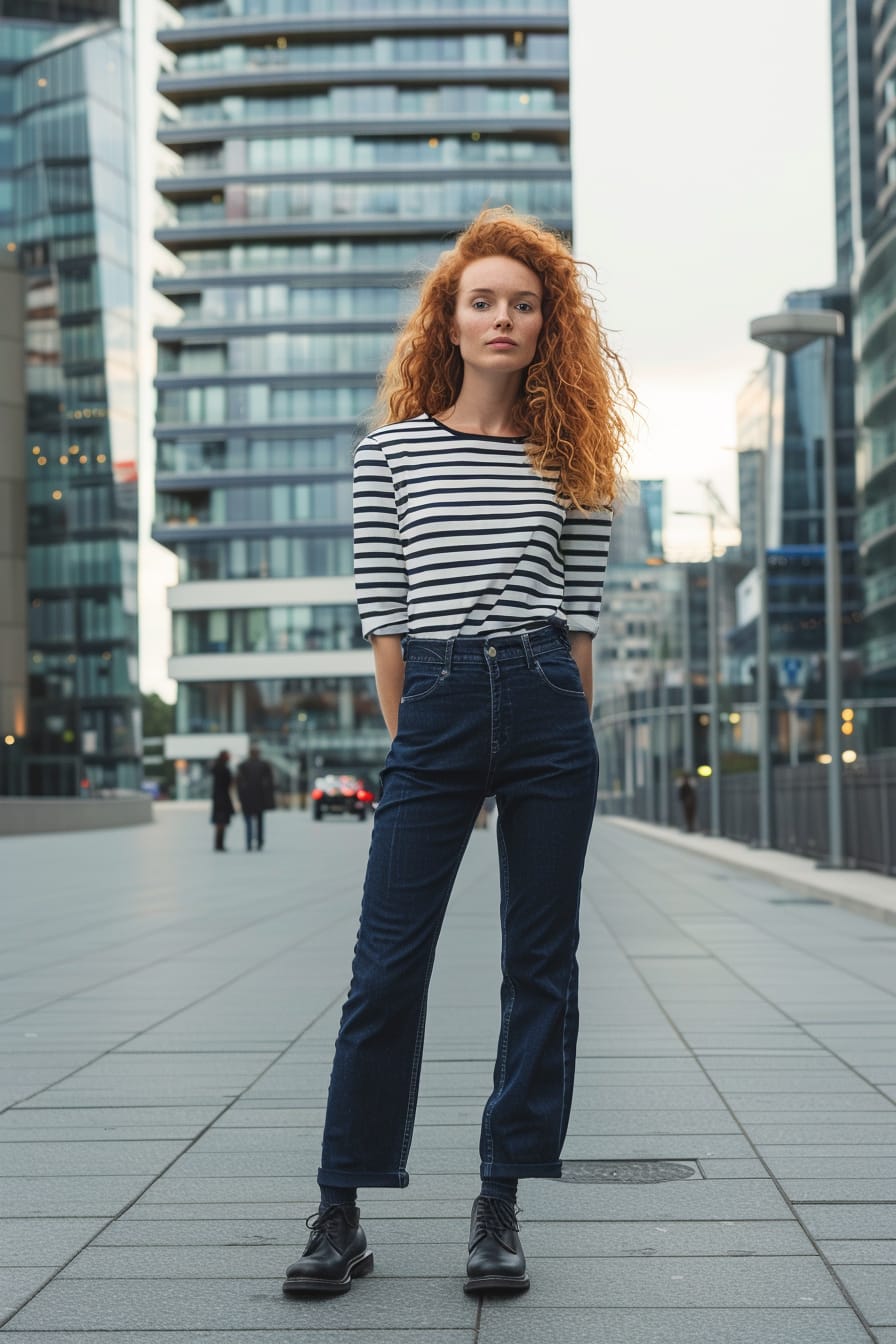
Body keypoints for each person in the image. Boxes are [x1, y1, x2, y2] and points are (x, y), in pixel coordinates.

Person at [282, 207, 632, 1299]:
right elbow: (382, 619)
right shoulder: (387, 452)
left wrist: (550, 736)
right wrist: (421, 740)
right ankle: (339, 1209)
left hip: (540, 704)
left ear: (545, 327)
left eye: (522, 304)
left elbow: (576, 629)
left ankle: (499, 1203)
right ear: (449, 317)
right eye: (482, 299)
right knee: (385, 969)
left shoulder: (573, 458)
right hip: (430, 701)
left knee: (539, 968)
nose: (502, 317)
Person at [236, 745, 275, 851]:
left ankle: (250, 843)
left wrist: (240, 797)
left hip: (248, 800)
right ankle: (259, 842)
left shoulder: (243, 766)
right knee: (259, 822)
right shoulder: (263, 765)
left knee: (249, 822)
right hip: (259, 799)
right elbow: (269, 784)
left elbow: (239, 784)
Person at [210, 750, 235, 852]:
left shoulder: (217, 767)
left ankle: (218, 843)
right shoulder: (223, 768)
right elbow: (229, 782)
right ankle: (219, 844)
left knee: (219, 822)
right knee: (221, 822)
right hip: (223, 798)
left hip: (218, 797)